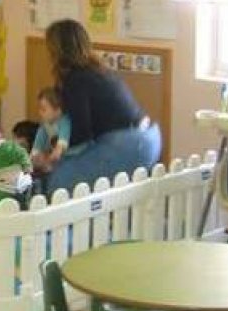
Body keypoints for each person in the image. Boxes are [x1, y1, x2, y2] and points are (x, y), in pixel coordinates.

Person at [42, 19, 162, 194]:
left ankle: (67, 221)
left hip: (129, 143)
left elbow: (81, 133)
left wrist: (52, 150)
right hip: (149, 137)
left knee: (60, 179)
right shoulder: (97, 70)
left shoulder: (76, 79)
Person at [30, 87, 73, 173]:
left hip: (70, 156)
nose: (40, 113)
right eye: (39, 109)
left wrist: (49, 159)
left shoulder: (64, 121)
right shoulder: (44, 125)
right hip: (55, 159)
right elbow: (37, 147)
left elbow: (61, 147)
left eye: (44, 109)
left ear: (58, 110)